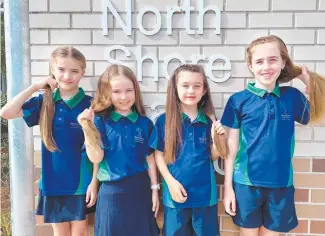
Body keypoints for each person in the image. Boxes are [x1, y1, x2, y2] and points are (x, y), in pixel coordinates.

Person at [222, 35, 325, 236]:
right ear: (250, 66)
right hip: (246, 184)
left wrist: (306, 80)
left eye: (273, 60)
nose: (266, 66)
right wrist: (228, 188)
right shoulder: (238, 101)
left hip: (281, 183)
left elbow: (319, 111)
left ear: (283, 62)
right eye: (259, 61)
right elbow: (231, 147)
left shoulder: (291, 97)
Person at [0, 46, 98, 236]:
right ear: (52, 70)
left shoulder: (91, 104)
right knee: (60, 233)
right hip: (53, 181)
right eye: (61, 70)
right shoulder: (45, 101)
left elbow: (96, 146)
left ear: (82, 73)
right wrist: (36, 87)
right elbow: (6, 112)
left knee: (80, 231)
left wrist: (94, 181)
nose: (67, 76)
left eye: (74, 71)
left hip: (81, 181)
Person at [78, 64, 160, 236]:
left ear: (136, 91)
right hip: (111, 192)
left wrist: (154, 190)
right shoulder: (100, 121)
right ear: (107, 93)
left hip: (140, 191)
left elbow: (150, 159)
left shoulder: (145, 123)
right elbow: (96, 158)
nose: (124, 97)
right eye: (116, 92)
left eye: (129, 90)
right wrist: (87, 128)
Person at [149, 64, 227, 236]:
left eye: (197, 86)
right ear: (175, 89)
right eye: (185, 85)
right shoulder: (164, 121)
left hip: (205, 196)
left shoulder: (209, 121)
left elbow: (213, 156)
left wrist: (217, 141)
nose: (191, 90)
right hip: (175, 195)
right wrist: (169, 182)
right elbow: (158, 154)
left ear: (204, 89)